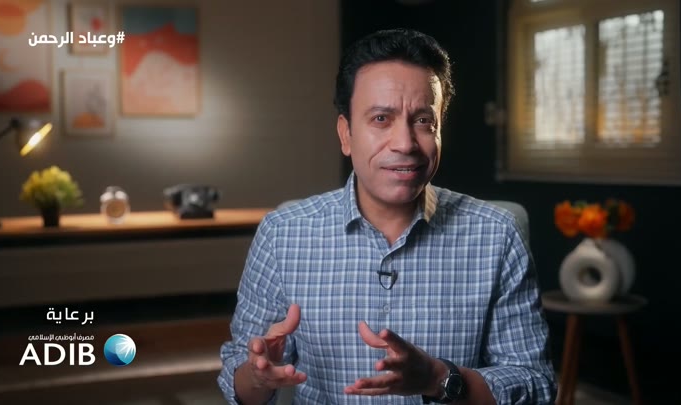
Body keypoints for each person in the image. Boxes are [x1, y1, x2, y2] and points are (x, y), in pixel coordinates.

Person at [218, 28, 556, 404]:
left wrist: (438, 378)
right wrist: (259, 377)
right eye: (381, 118)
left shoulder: (497, 235)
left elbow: (536, 385)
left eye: (424, 121)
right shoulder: (283, 234)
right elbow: (238, 382)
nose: (405, 143)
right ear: (346, 134)